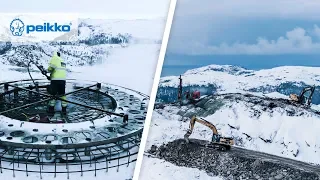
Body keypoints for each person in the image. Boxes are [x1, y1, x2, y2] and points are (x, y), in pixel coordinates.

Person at [47, 51, 67, 116]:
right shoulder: (62, 60)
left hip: (55, 80)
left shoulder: (55, 58)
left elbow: (50, 69)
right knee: (62, 94)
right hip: (63, 80)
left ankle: (51, 110)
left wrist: (47, 71)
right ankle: (64, 110)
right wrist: (50, 76)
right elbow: (58, 71)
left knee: (53, 94)